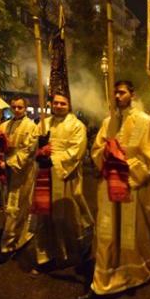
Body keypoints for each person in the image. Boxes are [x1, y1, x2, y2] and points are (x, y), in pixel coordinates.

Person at [81, 80, 150, 299]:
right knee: (107, 231)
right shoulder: (108, 122)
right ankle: (103, 281)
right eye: (115, 92)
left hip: (133, 187)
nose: (117, 96)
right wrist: (105, 155)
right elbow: (96, 149)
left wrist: (122, 165)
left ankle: (133, 274)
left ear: (132, 95)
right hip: (108, 185)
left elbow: (147, 157)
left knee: (129, 233)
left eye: (122, 92)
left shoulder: (146, 122)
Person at [30, 93, 93, 273]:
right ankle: (45, 256)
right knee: (44, 217)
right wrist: (39, 149)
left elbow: (77, 152)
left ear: (69, 104)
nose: (58, 106)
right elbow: (32, 146)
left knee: (66, 215)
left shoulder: (77, 126)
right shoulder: (43, 123)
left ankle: (75, 250)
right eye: (55, 103)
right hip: (43, 176)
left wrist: (53, 160)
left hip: (65, 177)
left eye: (62, 103)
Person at [0, 96, 37, 255]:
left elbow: (29, 150)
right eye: (13, 107)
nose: (16, 110)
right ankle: (11, 238)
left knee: (19, 207)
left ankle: (14, 240)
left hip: (22, 171)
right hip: (6, 172)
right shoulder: (4, 125)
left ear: (25, 108)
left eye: (20, 107)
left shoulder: (31, 126)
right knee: (8, 206)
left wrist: (10, 163)